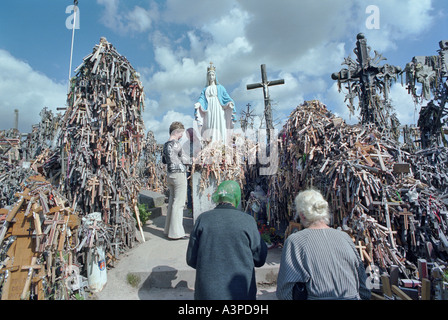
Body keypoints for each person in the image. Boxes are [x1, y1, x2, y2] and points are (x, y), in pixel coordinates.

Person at [276, 188, 371, 300]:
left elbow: (285, 290)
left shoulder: (296, 241)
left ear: (302, 215)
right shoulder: (345, 237)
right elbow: (363, 283)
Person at [186, 180, 267, 300]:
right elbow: (260, 259)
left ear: (218, 197)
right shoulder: (247, 221)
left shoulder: (203, 219)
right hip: (241, 294)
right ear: (236, 198)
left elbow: (191, 259)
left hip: (207, 294)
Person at [194, 63, 236, 145]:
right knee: (210, 124)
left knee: (220, 123)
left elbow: (226, 97)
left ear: (215, 76)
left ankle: (221, 143)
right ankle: (211, 143)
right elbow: (202, 98)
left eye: (212, 75)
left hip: (218, 107)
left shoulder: (220, 87)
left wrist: (230, 103)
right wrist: (198, 104)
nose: (211, 77)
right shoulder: (205, 89)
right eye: (209, 75)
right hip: (209, 108)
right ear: (207, 77)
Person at [162, 121, 190, 240]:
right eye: (181, 133)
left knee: (172, 202)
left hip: (170, 174)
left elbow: (164, 160)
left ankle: (168, 229)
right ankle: (177, 233)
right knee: (179, 204)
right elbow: (186, 159)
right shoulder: (176, 144)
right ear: (177, 132)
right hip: (179, 174)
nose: (182, 136)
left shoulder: (165, 144)